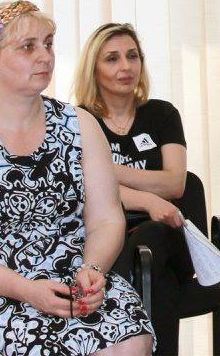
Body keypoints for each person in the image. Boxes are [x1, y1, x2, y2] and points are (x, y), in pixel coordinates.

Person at [0, 0, 154, 355]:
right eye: (28, 47)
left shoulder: (81, 126)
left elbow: (107, 220)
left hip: (74, 278)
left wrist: (93, 270)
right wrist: (26, 290)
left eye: (48, 44)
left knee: (131, 340)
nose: (45, 56)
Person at [72, 22, 190, 356]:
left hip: (165, 230)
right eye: (112, 59)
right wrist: (148, 198)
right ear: (93, 69)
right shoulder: (79, 120)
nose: (125, 67)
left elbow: (175, 183)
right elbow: (85, 186)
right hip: (105, 235)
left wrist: (108, 171)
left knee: (150, 243)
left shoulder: (162, 114)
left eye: (132, 56)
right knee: (152, 272)